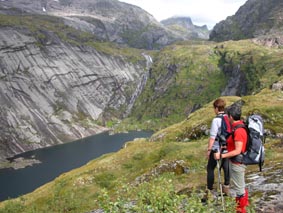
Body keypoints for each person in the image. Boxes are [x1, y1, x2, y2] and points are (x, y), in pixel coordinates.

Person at [214, 104, 249, 213]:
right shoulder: (239, 126)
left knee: (240, 190)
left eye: (227, 116)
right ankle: (242, 208)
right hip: (238, 161)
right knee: (240, 187)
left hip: (237, 163)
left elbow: (238, 150)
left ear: (231, 117)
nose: (226, 118)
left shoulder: (238, 131)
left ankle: (241, 210)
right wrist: (226, 146)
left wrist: (222, 155)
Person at [202, 98, 230, 202]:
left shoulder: (216, 120)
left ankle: (210, 190)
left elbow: (213, 137)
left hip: (217, 148)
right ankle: (226, 187)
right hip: (227, 148)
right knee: (226, 167)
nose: (214, 110)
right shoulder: (228, 117)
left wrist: (209, 150)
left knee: (210, 168)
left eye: (214, 108)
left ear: (217, 108)